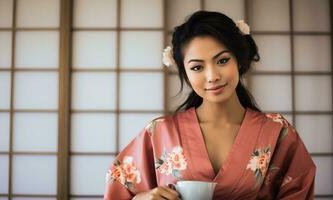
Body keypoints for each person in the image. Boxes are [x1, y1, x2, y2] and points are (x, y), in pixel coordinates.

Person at [104, 11, 316, 200]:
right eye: (197, 67)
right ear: (185, 73)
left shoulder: (276, 131)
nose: (212, 76)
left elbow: (299, 189)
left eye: (222, 61)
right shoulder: (159, 132)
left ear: (239, 60)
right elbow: (119, 187)